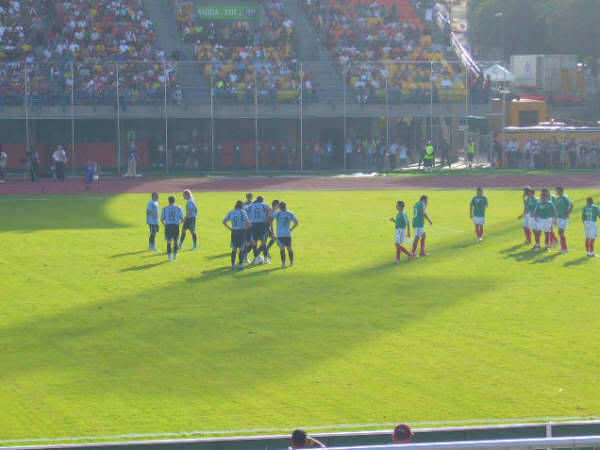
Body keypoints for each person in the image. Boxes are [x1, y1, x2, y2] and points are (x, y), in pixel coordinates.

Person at [223, 200, 251, 270]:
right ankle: (241, 265)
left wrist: (230, 228)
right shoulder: (242, 212)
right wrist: (249, 226)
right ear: (242, 206)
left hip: (234, 232)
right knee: (241, 249)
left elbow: (224, 221)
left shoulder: (231, 212)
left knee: (234, 249)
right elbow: (247, 221)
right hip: (241, 232)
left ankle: (233, 265)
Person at [273, 201, 298, 268]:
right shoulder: (290, 213)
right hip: (288, 234)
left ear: (280, 207)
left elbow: (270, 217)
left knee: (282, 249)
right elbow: (296, 222)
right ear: (286, 206)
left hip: (280, 234)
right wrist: (291, 229)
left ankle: (283, 264)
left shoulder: (277, 213)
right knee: (289, 248)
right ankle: (292, 263)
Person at [247, 195, 271, 264]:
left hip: (254, 225)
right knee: (264, 242)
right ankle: (266, 259)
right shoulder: (264, 205)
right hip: (261, 225)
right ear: (262, 200)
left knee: (254, 243)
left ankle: (256, 259)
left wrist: (250, 219)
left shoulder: (251, 205)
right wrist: (267, 218)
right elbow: (270, 210)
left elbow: (245, 210)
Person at [161, 195, 184, 261]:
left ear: (168, 201)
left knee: (169, 241)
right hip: (176, 226)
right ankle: (175, 255)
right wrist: (179, 223)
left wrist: (164, 225)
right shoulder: (178, 208)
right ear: (174, 201)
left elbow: (162, 219)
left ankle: (169, 257)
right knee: (176, 241)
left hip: (168, 226)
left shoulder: (165, 208)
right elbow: (182, 218)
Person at [555, 187, 573, 254]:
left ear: (561, 191)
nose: (556, 192)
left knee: (561, 233)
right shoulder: (558, 198)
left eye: (557, 191)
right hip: (560, 217)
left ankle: (564, 248)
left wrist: (568, 214)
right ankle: (563, 248)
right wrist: (556, 218)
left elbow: (571, 205)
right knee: (560, 233)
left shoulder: (565, 197)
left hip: (564, 218)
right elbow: (557, 208)